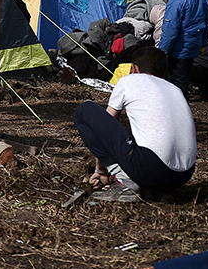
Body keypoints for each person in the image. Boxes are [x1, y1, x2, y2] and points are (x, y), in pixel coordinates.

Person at [73, 46, 197, 200]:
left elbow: (104, 127)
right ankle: (157, 189)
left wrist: (101, 170)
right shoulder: (175, 89)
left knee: (85, 110)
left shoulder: (128, 80)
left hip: (150, 168)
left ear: (134, 68)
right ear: (164, 74)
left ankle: (125, 180)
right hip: (183, 175)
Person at [156, 0, 208, 98]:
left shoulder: (177, 0)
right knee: (183, 79)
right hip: (193, 47)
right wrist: (202, 44)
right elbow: (207, 24)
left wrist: (162, 51)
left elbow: (170, 29)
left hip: (178, 50)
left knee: (176, 83)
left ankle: (179, 114)